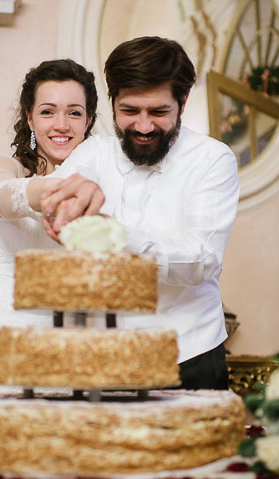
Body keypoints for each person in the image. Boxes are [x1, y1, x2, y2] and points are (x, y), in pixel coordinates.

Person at [39, 37, 239, 390]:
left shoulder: (213, 159)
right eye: (130, 111)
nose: (144, 127)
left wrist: (112, 234)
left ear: (183, 101)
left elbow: (202, 261)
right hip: (101, 357)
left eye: (159, 113)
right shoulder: (94, 152)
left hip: (187, 353)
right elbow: (54, 192)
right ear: (112, 101)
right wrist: (62, 207)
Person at [0, 59, 98, 393]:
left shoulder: (101, 189)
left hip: (69, 353)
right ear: (29, 118)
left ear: (88, 121)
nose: (61, 124)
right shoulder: (8, 169)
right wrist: (56, 189)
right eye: (48, 111)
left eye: (74, 112)